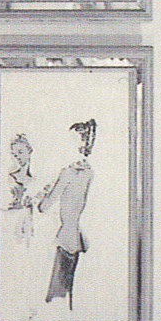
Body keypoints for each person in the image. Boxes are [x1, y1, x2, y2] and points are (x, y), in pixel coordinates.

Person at [37, 118, 96, 310]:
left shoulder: (69, 172)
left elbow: (45, 206)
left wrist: (41, 197)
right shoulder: (88, 172)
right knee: (67, 287)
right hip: (76, 235)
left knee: (57, 293)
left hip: (65, 236)